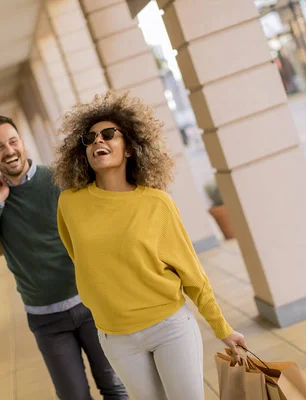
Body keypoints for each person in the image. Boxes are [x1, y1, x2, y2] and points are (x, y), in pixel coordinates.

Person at [53, 91, 247, 400]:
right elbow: (81, 258)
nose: (97, 142)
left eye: (107, 135)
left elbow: (192, 274)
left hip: (169, 327)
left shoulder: (157, 203)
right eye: (88, 139)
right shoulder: (69, 204)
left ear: (129, 148)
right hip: (115, 336)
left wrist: (222, 327)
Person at [0, 116, 128, 400]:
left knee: (114, 387)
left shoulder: (57, 180)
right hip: (46, 320)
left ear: (22, 143)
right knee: (73, 396)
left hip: (90, 303)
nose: (9, 151)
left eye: (13, 141)